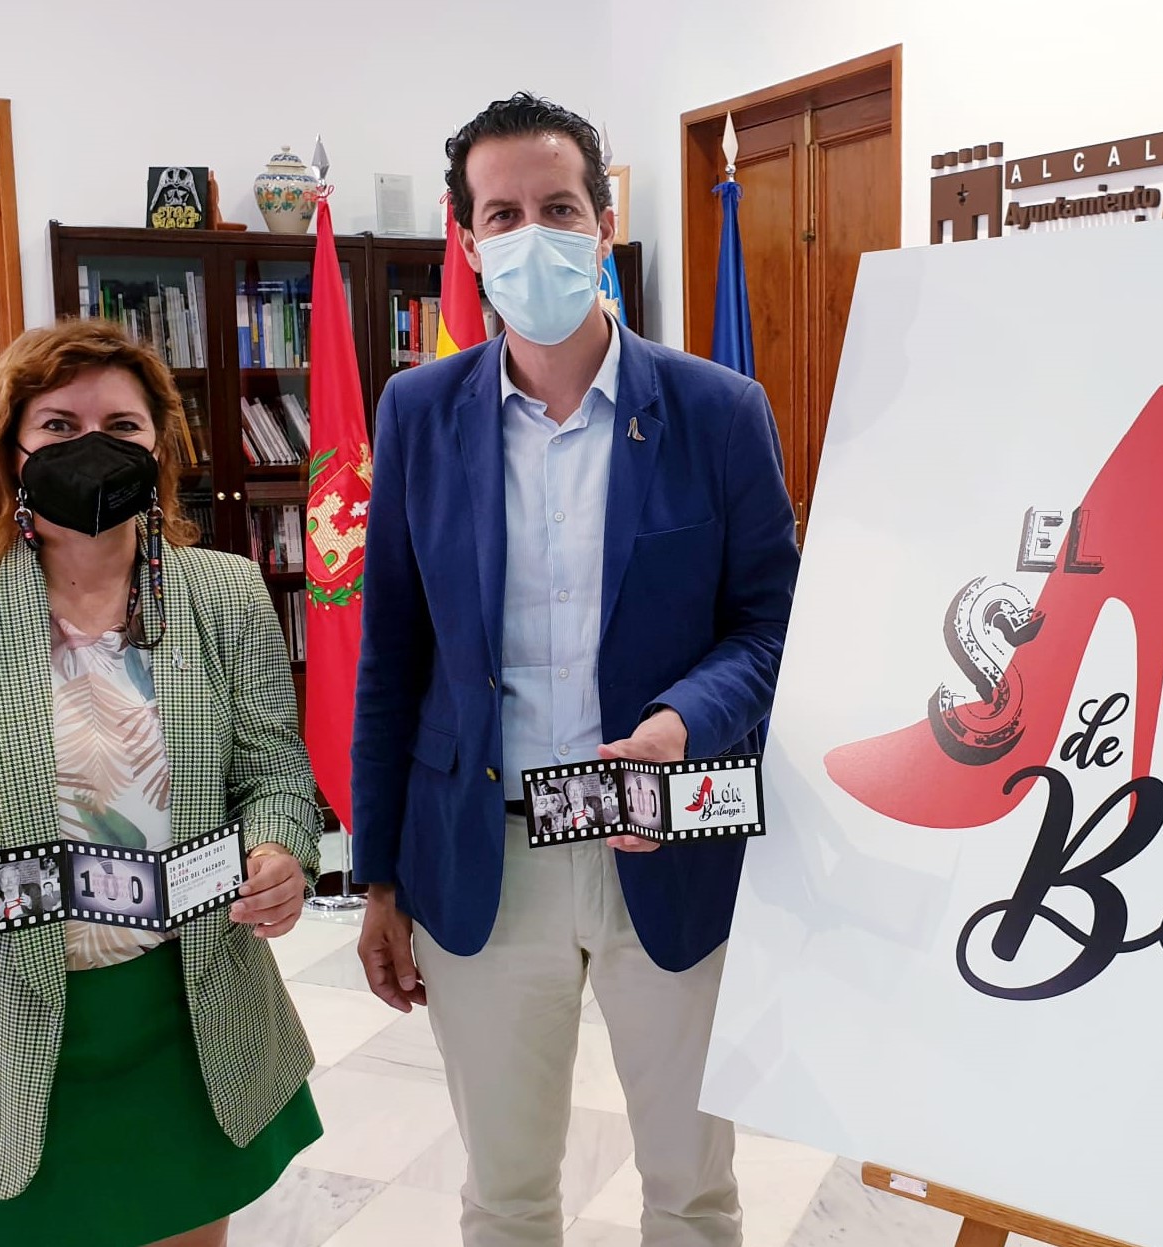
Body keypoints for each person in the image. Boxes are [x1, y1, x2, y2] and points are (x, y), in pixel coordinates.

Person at [351, 92, 800, 1247]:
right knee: (505, 1192)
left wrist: (681, 718)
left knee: (690, 1187)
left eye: (557, 207)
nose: (531, 234)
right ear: (466, 241)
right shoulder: (417, 413)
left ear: (603, 223)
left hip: (666, 831)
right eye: (501, 214)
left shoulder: (717, 410)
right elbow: (391, 651)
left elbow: (770, 624)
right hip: (482, 853)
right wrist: (379, 878)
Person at [0, 319, 325, 1247]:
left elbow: (274, 774)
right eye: (58, 425)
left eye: (122, 426)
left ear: (159, 447)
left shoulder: (224, 592)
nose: (93, 445)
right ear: (10, 449)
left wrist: (280, 848)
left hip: (185, 1016)